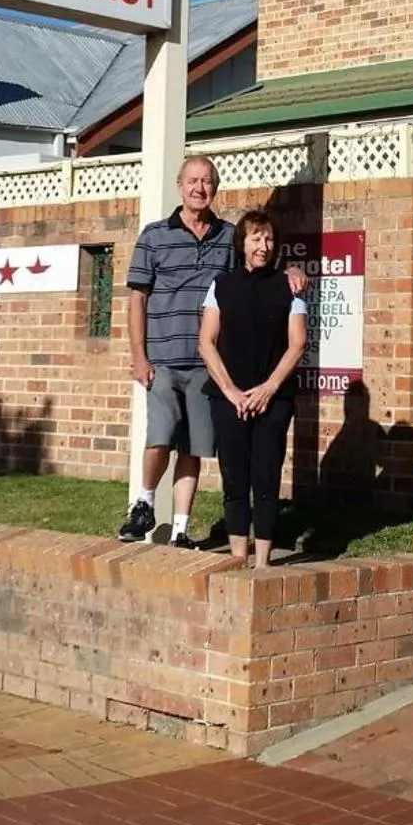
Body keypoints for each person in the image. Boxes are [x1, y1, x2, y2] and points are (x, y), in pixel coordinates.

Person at [120, 158, 303, 547]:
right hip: (165, 356)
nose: (199, 188)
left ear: (215, 189)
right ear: (180, 186)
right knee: (161, 435)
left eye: (206, 181)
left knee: (195, 445)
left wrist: (291, 272)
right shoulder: (154, 236)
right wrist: (139, 354)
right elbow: (137, 299)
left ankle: (182, 529)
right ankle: (144, 503)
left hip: (210, 362)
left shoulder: (226, 236)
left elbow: (258, 265)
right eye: (192, 181)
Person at [198, 209, 308, 569]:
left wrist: (268, 389)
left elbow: (297, 344)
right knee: (234, 477)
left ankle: (262, 562)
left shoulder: (290, 285)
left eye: (269, 239)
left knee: (265, 475)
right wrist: (230, 391)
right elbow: (206, 342)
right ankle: (236, 558)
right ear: (242, 243)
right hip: (228, 398)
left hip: (273, 399)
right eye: (256, 238)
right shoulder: (221, 285)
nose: (264, 246)